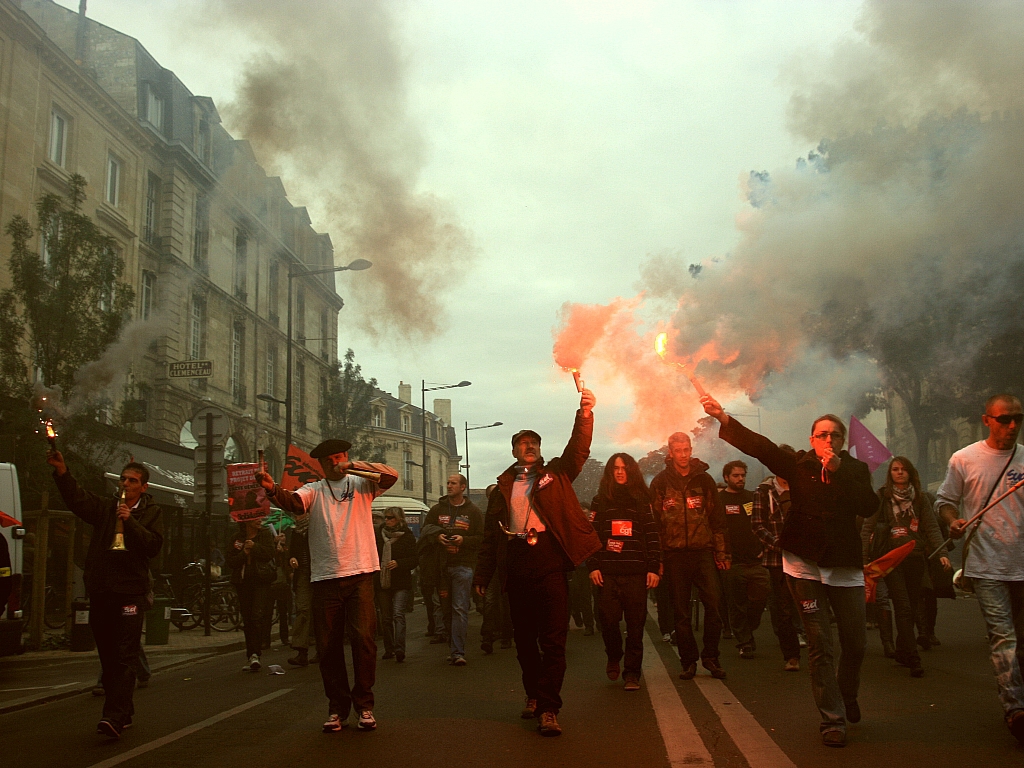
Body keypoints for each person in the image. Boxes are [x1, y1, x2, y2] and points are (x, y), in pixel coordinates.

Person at [702, 397, 877, 748]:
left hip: (843, 564)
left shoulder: (856, 471)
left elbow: (869, 505)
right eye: (822, 435)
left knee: (855, 642)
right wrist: (723, 417)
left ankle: (846, 693)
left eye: (835, 436)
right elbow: (761, 447)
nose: (828, 441)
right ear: (811, 440)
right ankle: (832, 718)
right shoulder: (798, 465)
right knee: (819, 643)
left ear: (843, 442)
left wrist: (839, 471)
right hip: (804, 563)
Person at [474, 388, 601, 737]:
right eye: (522, 444)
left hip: (549, 562)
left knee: (554, 640)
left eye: (534, 443)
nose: (529, 447)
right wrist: (483, 574)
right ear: (513, 451)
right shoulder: (502, 486)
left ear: (540, 450)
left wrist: (585, 414)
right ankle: (533, 693)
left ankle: (549, 708)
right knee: (525, 640)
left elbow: (579, 449)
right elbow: (490, 538)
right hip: (516, 563)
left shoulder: (556, 474)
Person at [256, 439, 397, 733]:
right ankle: (337, 708)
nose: (337, 461)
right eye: (332, 459)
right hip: (325, 577)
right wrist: (271, 488)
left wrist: (355, 466)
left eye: (341, 456)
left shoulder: (362, 485)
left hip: (360, 573)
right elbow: (293, 503)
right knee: (328, 646)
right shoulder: (314, 489)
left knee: (364, 641)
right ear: (321, 464)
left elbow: (390, 475)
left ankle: (365, 705)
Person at [46, 451, 163, 739]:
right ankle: (124, 711)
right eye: (123, 479)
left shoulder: (152, 512)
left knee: (125, 655)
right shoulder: (106, 507)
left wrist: (130, 521)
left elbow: (153, 546)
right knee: (109, 656)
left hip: (130, 594)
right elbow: (79, 500)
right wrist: (63, 473)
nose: (126, 483)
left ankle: (113, 716)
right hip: (103, 591)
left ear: (143, 487)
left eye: (132, 480)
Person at [935, 394, 1024, 744]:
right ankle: (1015, 709)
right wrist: (952, 521)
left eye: (1018, 418)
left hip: (1022, 563)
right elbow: (945, 502)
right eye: (1005, 419)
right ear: (987, 420)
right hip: (987, 565)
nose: (1013, 425)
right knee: (1004, 637)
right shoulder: (964, 458)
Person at [649, 431, 729, 681]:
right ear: (670, 452)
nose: (683, 455)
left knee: (714, 606)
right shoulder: (660, 483)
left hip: (703, 552)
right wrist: (658, 559)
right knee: (680, 612)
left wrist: (722, 552)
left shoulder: (704, 480)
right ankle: (688, 661)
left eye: (686, 450)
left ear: (691, 449)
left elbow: (717, 519)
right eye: (678, 450)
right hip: (674, 555)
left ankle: (711, 657)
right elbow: (655, 525)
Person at [861, 457, 949, 678]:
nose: (899, 473)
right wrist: (864, 559)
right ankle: (913, 657)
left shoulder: (920, 498)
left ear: (910, 473)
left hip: (916, 558)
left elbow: (930, 527)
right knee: (903, 606)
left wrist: (943, 554)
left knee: (911, 604)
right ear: (890, 474)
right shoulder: (882, 497)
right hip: (891, 560)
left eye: (903, 470)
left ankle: (902, 649)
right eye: (895, 470)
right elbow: (867, 528)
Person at [588, 453, 661, 691]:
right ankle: (613, 653)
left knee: (636, 626)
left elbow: (651, 535)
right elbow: (592, 536)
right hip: (607, 573)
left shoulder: (642, 499)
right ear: (610, 472)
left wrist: (653, 568)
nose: (620, 472)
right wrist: (594, 566)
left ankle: (632, 673)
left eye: (624, 468)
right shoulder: (600, 501)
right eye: (616, 468)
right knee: (608, 622)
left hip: (635, 572)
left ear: (632, 471)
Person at [421, 473, 483, 665]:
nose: (449, 486)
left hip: (463, 566)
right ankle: (452, 644)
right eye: (447, 483)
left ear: (463, 487)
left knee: (459, 608)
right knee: (445, 609)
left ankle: (458, 652)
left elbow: (481, 539)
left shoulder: (473, 511)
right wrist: (437, 536)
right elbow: (425, 529)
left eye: (453, 483)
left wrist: (463, 540)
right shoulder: (437, 509)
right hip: (441, 567)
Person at [751, 459, 803, 671]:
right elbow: (757, 525)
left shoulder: (803, 488)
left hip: (804, 557)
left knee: (809, 605)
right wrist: (778, 545)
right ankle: (791, 655)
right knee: (783, 608)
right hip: (777, 558)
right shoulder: (763, 492)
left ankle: (820, 651)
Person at [718, 460, 769, 660]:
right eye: (736, 476)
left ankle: (748, 628)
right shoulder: (719, 499)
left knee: (760, 599)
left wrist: (764, 547)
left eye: (743, 475)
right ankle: (745, 642)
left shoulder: (753, 497)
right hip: (732, 561)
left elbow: (764, 524)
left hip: (756, 560)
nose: (740, 479)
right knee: (736, 603)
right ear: (726, 477)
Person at [226, 518, 276, 671]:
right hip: (243, 582)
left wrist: (255, 547)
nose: (259, 521)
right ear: (247, 521)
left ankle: (256, 653)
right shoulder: (236, 538)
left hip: (261, 581)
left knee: (256, 616)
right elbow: (231, 561)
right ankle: (251, 654)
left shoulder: (265, 535)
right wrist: (244, 553)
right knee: (247, 618)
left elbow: (269, 553)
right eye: (256, 519)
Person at [375, 507, 417, 663]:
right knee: (386, 617)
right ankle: (389, 648)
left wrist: (399, 563)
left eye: (391, 517)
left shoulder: (407, 536)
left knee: (398, 614)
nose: (387, 520)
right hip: (382, 580)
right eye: (386, 517)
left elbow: (414, 559)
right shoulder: (379, 535)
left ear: (399, 519)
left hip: (400, 581)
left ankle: (400, 648)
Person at [480, 484, 513, 654]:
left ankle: (506, 635)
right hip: (493, 565)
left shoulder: (507, 515)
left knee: (506, 602)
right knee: (491, 601)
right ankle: (488, 636)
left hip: (505, 564)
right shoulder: (489, 517)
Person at [287, 511, 315, 666]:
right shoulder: (296, 532)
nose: (297, 517)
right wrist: (292, 559)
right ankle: (301, 650)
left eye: (300, 514)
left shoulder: (318, 529)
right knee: (302, 609)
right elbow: (292, 553)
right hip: (303, 573)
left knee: (320, 612)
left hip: (319, 573)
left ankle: (322, 650)